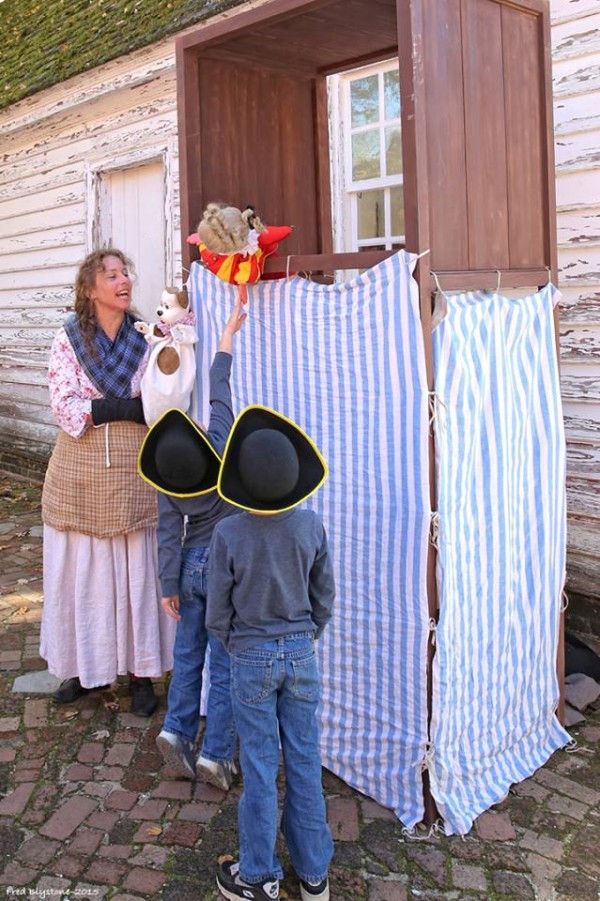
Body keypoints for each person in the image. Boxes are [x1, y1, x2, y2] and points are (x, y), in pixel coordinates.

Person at [206, 406, 335, 901]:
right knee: (305, 757)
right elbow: (324, 597)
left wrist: (238, 645)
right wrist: (306, 635)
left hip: (251, 656)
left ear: (242, 481)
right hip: (301, 652)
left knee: (259, 764)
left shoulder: (228, 534)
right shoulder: (311, 527)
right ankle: (314, 875)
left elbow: (217, 612)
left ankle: (258, 876)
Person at [40, 248, 176, 717]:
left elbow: (159, 400)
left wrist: (106, 408)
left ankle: (141, 672)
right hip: (78, 472)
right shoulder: (68, 339)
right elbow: (65, 405)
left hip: (134, 473)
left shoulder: (148, 337)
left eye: (125, 273)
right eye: (111, 275)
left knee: (136, 570)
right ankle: (82, 667)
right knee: (85, 572)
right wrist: (122, 409)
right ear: (89, 289)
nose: (123, 281)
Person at [138, 297, 246, 787]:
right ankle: (216, 754)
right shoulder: (221, 448)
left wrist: (168, 584)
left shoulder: (167, 479)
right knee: (222, 663)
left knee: (187, 657)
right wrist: (226, 337)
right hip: (224, 568)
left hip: (188, 566)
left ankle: (176, 731)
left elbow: (167, 532)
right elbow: (220, 391)